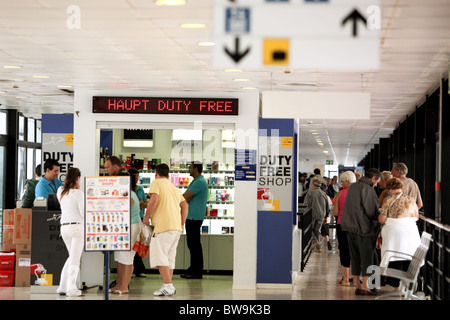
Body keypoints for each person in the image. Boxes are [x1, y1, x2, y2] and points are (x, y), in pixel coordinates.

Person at [143, 163, 188, 296]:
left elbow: (154, 199)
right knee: (169, 258)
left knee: (160, 256)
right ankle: (167, 285)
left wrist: (146, 216)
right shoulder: (174, 188)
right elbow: (185, 205)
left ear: (156, 174)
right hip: (175, 227)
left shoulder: (156, 182)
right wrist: (182, 223)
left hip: (162, 227)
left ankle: (168, 286)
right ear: (168, 175)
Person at [341, 168, 381, 296]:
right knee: (367, 257)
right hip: (364, 229)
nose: (376, 185)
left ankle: (357, 285)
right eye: (377, 182)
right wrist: (379, 216)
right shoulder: (368, 189)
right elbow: (371, 211)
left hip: (350, 227)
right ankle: (365, 286)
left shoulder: (353, 187)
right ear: (373, 179)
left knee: (355, 257)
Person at [378, 178, 421, 289]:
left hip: (394, 233)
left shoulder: (388, 200)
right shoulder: (410, 199)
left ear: (390, 188)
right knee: (407, 256)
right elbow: (416, 217)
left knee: (394, 256)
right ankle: (407, 285)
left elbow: (382, 219)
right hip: (410, 233)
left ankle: (396, 286)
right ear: (401, 187)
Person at [110, 171, 142, 294]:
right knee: (119, 258)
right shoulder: (123, 193)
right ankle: (119, 284)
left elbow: (122, 210)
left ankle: (124, 286)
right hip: (123, 228)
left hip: (132, 227)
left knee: (127, 257)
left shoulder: (130, 195)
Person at [56, 168, 84, 297]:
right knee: (75, 259)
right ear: (78, 178)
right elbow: (83, 213)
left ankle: (62, 286)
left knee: (71, 256)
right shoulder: (78, 194)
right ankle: (71, 288)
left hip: (64, 228)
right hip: (77, 228)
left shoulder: (60, 191)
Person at [181, 161, 208, 279]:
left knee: (194, 245)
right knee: (192, 244)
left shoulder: (199, 182)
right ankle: (193, 268)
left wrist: (187, 197)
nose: (189, 169)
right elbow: (188, 196)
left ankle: (197, 271)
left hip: (194, 217)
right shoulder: (197, 181)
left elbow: (185, 197)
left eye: (190, 167)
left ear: (196, 169)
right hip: (192, 216)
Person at [332, 171, 356, 286]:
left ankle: (346, 279)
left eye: (342, 181)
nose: (341, 183)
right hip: (355, 226)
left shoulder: (339, 194)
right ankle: (355, 278)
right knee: (354, 250)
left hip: (342, 225)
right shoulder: (358, 193)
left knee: (344, 250)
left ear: (347, 181)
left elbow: (335, 212)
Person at [128, 167, 148, 278]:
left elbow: (145, 204)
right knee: (131, 246)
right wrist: (138, 203)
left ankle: (138, 269)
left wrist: (136, 204)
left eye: (137, 176)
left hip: (139, 219)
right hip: (131, 220)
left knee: (138, 245)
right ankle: (134, 269)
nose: (136, 178)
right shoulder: (128, 189)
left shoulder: (140, 189)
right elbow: (141, 203)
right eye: (134, 176)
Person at [304, 179, 330, 253]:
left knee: (310, 230)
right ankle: (319, 247)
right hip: (321, 215)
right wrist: (326, 216)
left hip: (312, 214)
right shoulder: (323, 193)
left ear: (313, 184)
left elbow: (306, 204)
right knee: (317, 230)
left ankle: (315, 242)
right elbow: (327, 206)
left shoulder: (310, 192)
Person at [320, 183, 333, 251]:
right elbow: (330, 206)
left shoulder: (320, 196)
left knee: (318, 231)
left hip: (320, 216)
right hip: (326, 217)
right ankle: (327, 241)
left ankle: (320, 245)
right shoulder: (327, 197)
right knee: (325, 231)